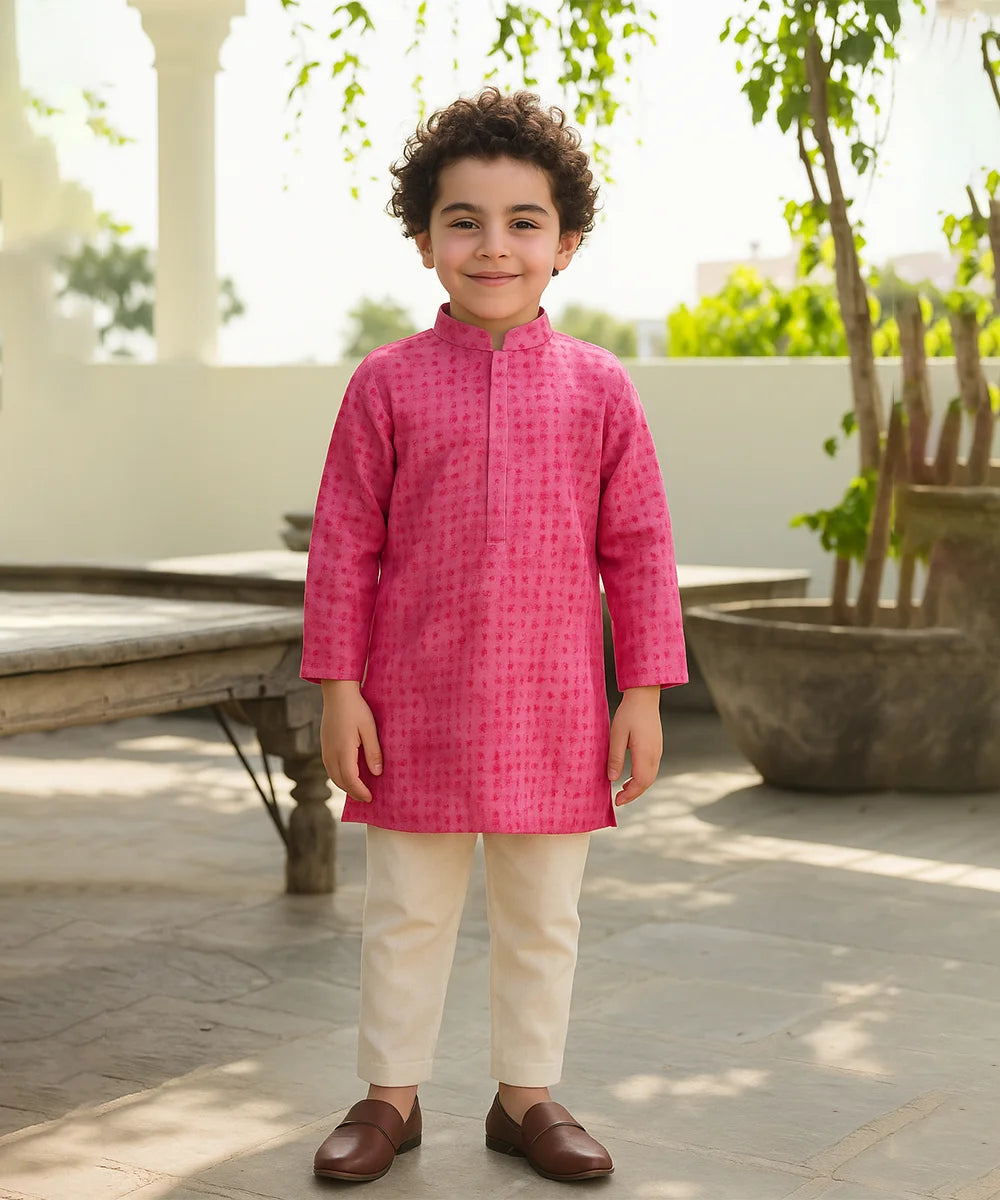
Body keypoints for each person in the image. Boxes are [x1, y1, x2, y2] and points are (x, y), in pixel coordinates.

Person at [301, 86, 687, 1185]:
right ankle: (390, 1098)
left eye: (523, 222)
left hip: (556, 704)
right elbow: (342, 547)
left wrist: (644, 693)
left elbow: (639, 548)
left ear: (565, 242)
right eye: (462, 220)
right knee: (406, 913)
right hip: (410, 703)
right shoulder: (383, 387)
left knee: (540, 913)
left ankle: (525, 1099)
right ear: (423, 239)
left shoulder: (600, 389)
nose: (492, 245)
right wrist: (338, 686)